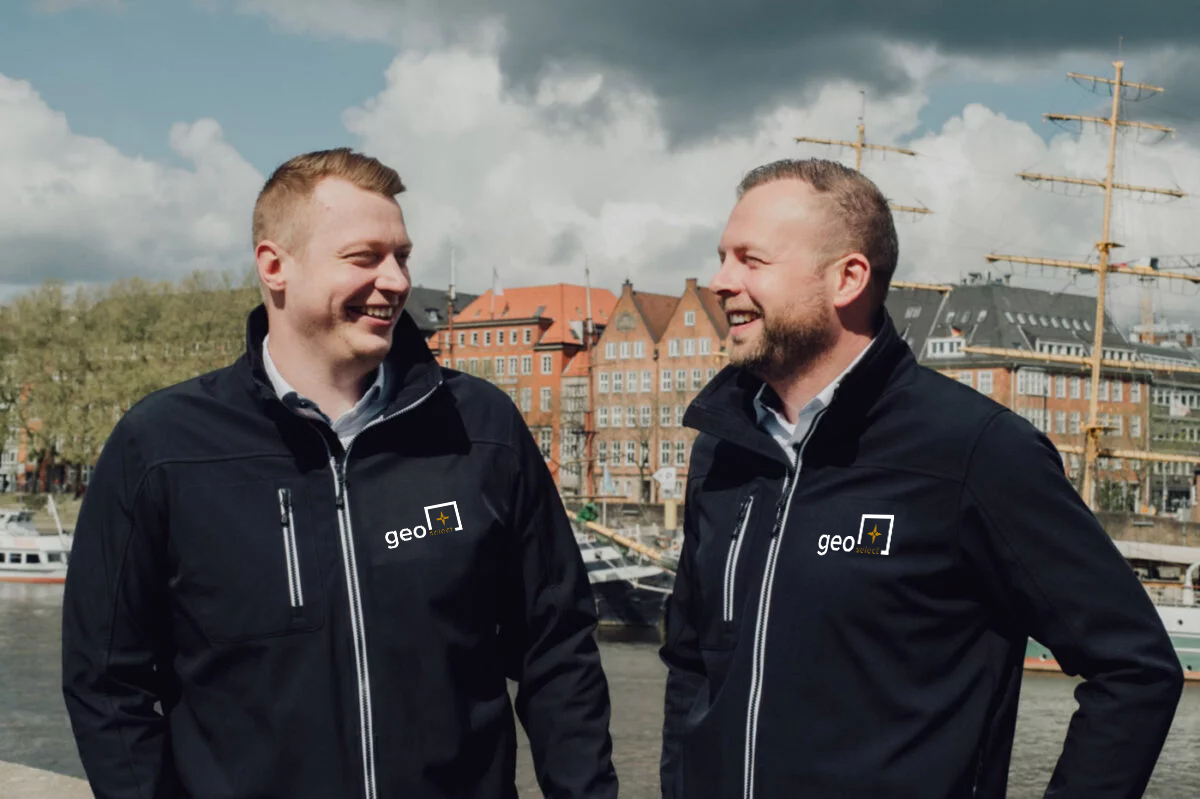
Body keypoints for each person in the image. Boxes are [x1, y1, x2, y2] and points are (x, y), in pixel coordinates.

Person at [62, 148, 618, 799]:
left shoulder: (481, 429)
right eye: (365, 257)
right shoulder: (161, 447)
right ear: (276, 266)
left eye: (402, 256)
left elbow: (558, 653)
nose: (396, 280)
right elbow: (107, 683)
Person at [659, 158, 1183, 798]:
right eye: (722, 257)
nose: (721, 281)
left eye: (751, 260)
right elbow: (691, 662)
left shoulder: (975, 452)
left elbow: (1134, 668)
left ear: (847, 278)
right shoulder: (723, 447)